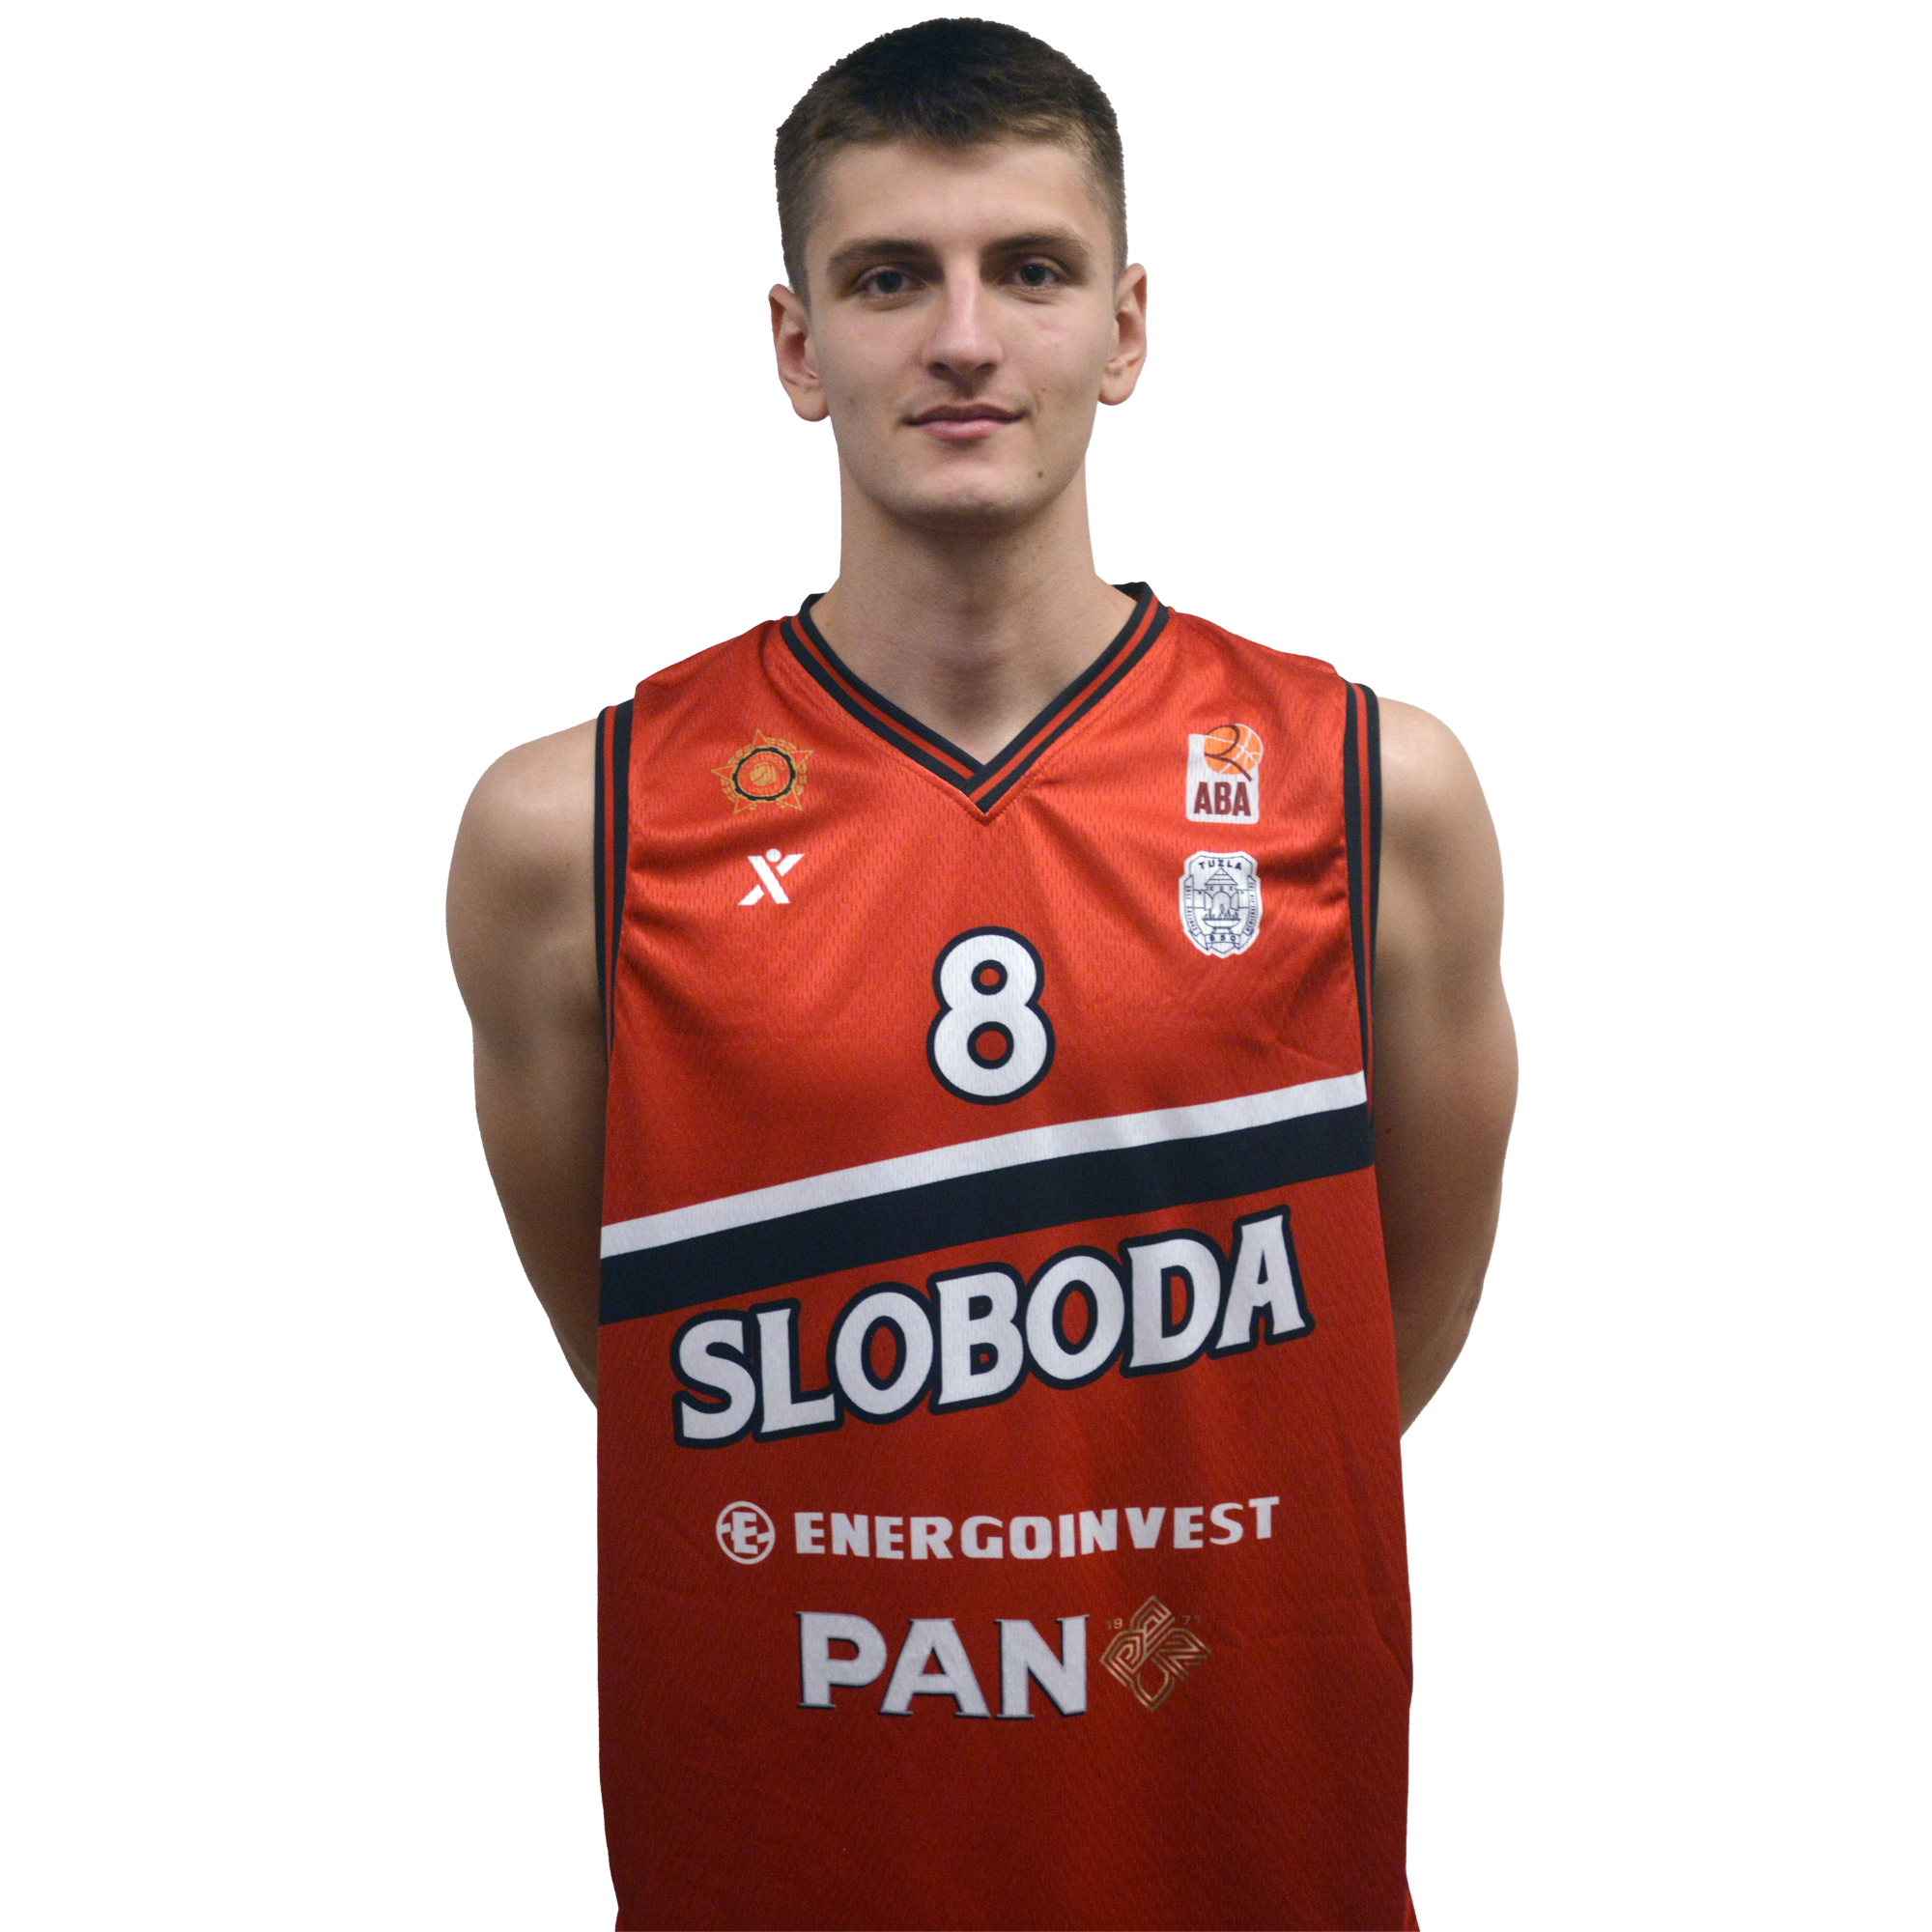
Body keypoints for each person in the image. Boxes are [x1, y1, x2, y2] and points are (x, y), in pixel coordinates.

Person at [447, 17, 1515, 1930]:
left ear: (1123, 325)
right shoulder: (573, 832)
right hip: (787, 1864)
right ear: (797, 346)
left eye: (1029, 268)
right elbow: (639, 1353)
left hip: (1243, 1856)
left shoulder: (1369, 790)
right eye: (888, 277)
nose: (961, 337)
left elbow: (1377, 1343)